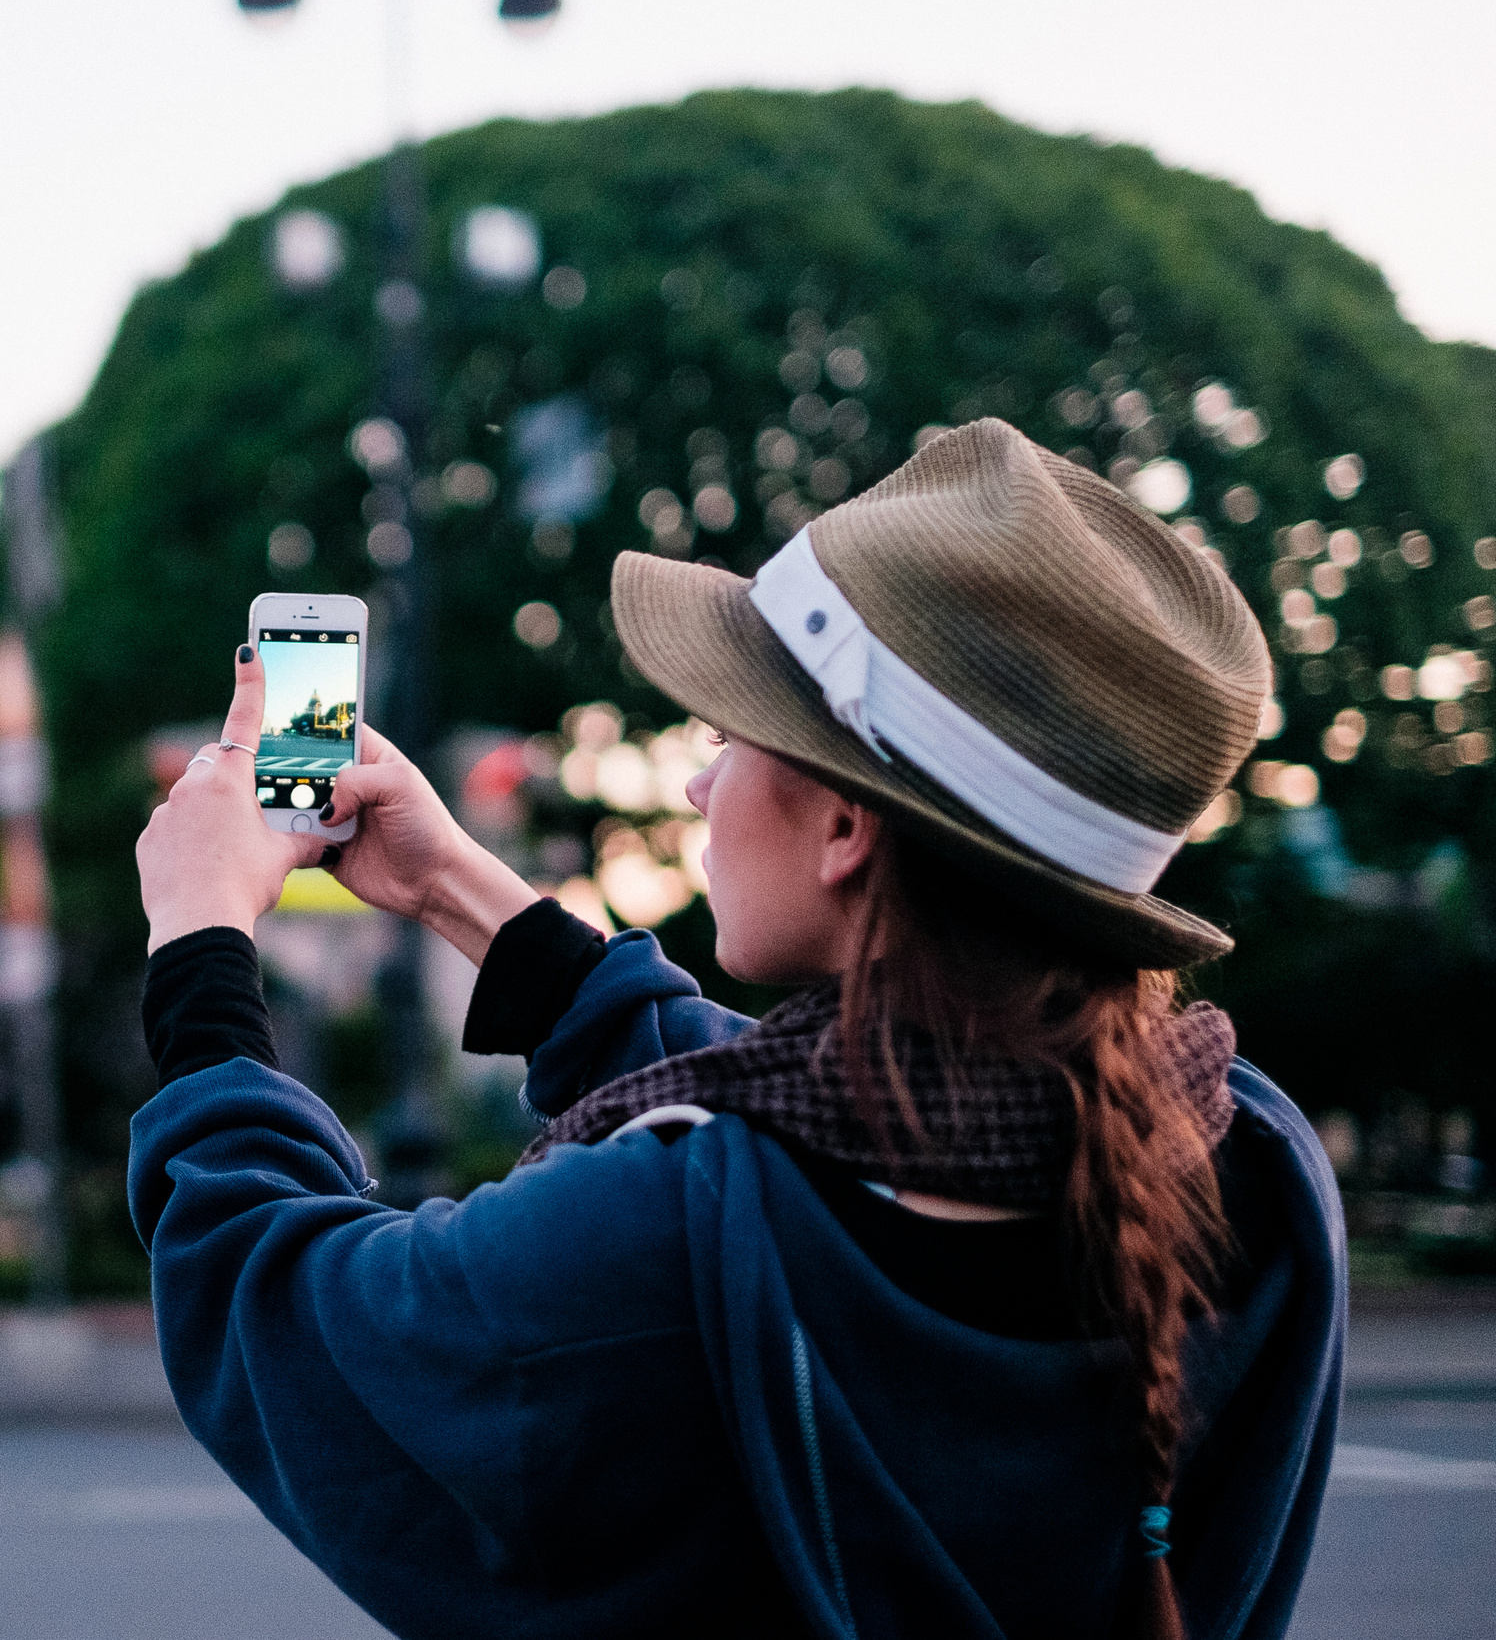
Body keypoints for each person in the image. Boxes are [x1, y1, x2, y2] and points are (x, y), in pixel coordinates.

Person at [130, 420, 1343, 1640]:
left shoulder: (657, 1238)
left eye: (729, 736)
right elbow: (847, 1114)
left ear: (843, 831)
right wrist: (453, 881)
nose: (701, 785)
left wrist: (199, 936)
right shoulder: (1250, 1163)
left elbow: (284, 1313)